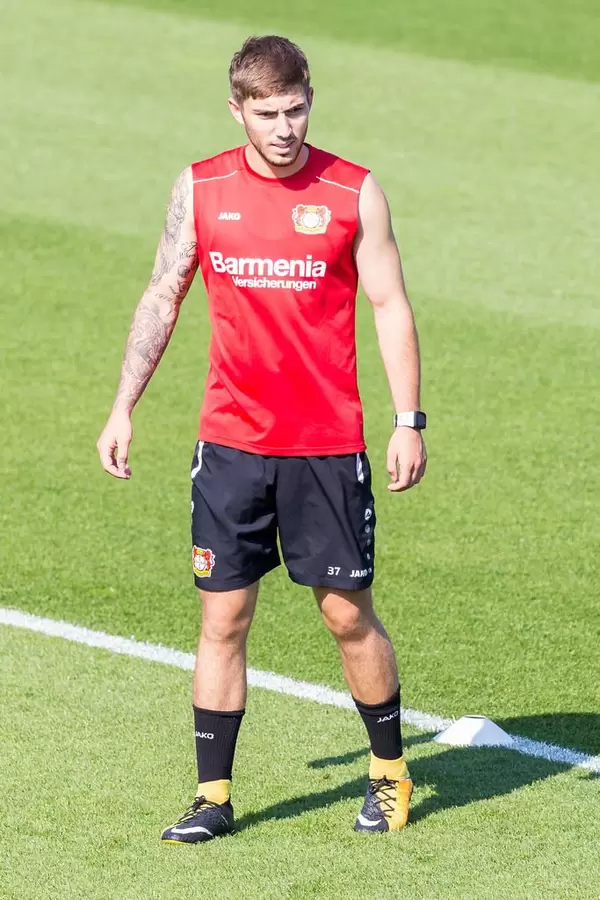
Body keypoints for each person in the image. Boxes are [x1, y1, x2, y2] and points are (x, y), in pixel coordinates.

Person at [97, 34, 427, 843]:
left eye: (298, 108)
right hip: (232, 446)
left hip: (325, 447)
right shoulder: (202, 188)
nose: (286, 127)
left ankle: (389, 776)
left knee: (348, 617)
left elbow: (388, 303)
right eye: (269, 113)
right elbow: (163, 292)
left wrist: (407, 419)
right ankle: (213, 796)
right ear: (237, 108)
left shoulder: (353, 191)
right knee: (223, 621)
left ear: (311, 98)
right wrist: (122, 406)